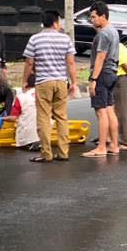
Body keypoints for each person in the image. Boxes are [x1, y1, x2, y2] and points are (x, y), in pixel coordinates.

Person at [22, 10, 78, 163]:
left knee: (44, 118)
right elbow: (71, 62)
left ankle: (46, 153)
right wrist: (74, 82)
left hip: (43, 82)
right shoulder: (65, 39)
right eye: (59, 22)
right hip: (61, 82)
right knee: (61, 117)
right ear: (55, 23)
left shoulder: (35, 39)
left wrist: (25, 80)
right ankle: (63, 152)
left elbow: (29, 62)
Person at [82, 1, 121, 158]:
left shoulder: (104, 33)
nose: (92, 20)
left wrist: (93, 79)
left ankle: (101, 147)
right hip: (112, 72)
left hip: (103, 73)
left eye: (94, 17)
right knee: (110, 109)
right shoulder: (113, 31)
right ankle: (114, 145)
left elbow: (100, 57)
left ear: (103, 16)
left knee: (101, 111)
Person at [1, 73, 40, 151]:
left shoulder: (21, 97)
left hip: (25, 137)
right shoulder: (45, 96)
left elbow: (13, 118)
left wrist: (2, 119)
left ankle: (28, 141)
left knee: (19, 122)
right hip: (44, 134)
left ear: (26, 84)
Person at [112, 42, 127, 151]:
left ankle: (125, 141)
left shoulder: (115, 46)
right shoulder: (121, 46)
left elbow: (123, 63)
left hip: (121, 78)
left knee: (122, 111)